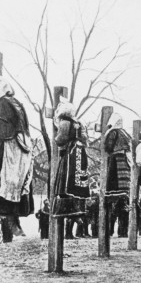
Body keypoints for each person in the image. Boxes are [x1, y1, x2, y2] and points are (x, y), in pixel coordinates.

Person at [0, 76, 34, 236]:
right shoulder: (17, 103)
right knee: (16, 180)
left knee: (5, 176)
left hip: (11, 146)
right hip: (23, 144)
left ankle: (7, 216)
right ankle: (13, 219)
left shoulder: (2, 103)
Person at [51, 101, 89, 235]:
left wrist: (56, 135)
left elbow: (61, 139)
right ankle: (78, 210)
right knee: (78, 184)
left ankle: (68, 210)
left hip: (70, 153)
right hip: (81, 152)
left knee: (65, 183)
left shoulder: (65, 122)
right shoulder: (78, 123)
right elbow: (85, 138)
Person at [104, 113, 132, 238]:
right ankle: (123, 231)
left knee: (111, 199)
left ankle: (109, 230)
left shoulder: (113, 133)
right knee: (123, 202)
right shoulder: (125, 133)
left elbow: (108, 147)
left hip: (115, 162)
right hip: (125, 164)